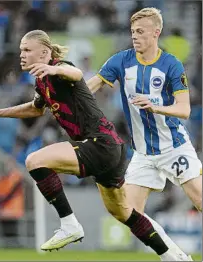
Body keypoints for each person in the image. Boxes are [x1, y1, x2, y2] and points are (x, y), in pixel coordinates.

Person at [0, 29, 187, 261]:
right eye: (21, 50)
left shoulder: (59, 69)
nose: (21, 54)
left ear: (44, 53)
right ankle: (172, 257)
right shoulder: (42, 81)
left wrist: (54, 68)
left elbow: (75, 73)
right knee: (123, 212)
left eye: (26, 50)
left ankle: (69, 224)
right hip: (110, 148)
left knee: (34, 161)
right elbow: (35, 108)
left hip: (99, 143)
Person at [87, 7, 201, 260]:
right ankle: (177, 257)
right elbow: (90, 87)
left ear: (155, 33)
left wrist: (155, 106)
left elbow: (184, 109)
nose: (134, 36)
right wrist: (66, 92)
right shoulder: (120, 61)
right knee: (128, 213)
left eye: (140, 32)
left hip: (174, 147)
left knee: (200, 200)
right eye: (132, 32)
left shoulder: (171, 64)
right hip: (143, 154)